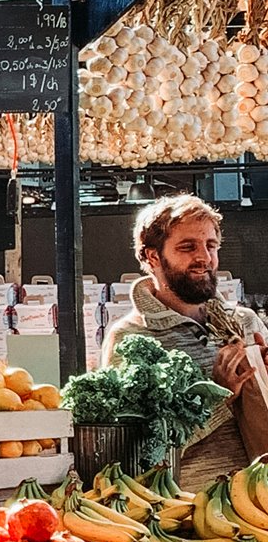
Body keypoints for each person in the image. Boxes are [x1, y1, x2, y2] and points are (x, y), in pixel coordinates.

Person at [102, 195, 268, 482]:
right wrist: (217, 396)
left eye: (211, 246)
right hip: (186, 513)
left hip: (258, 504)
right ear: (152, 256)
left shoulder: (245, 322)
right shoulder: (130, 338)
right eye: (188, 247)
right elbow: (135, 452)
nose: (204, 257)